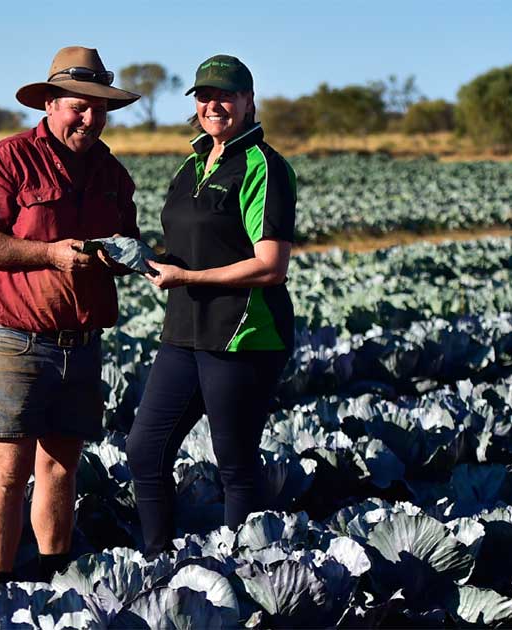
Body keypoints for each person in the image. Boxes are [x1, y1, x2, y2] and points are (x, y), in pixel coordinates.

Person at [0, 46, 141, 586]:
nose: (90, 119)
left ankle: (54, 580)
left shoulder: (110, 172)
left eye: (99, 109)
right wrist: (52, 253)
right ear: (51, 104)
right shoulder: (8, 160)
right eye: (78, 106)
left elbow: (127, 239)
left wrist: (131, 258)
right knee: (8, 472)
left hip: (80, 342)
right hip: (17, 340)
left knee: (60, 468)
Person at [125, 54, 297, 556]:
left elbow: (270, 265)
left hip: (243, 332)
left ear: (248, 101)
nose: (213, 104)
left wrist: (189, 277)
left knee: (235, 461)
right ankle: (158, 563)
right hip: (184, 328)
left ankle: (244, 572)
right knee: (144, 450)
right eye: (203, 95)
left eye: (225, 95)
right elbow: (187, 243)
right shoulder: (193, 163)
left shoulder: (263, 167)